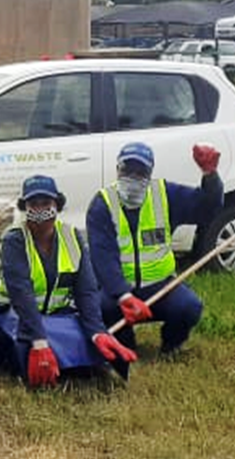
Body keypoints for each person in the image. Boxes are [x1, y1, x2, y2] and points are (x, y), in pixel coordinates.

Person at [0, 175, 136, 387]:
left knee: (88, 338)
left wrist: (97, 332)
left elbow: (86, 291)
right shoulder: (14, 241)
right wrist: (39, 343)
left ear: (57, 205)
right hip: (16, 314)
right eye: (33, 204)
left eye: (46, 203)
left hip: (58, 314)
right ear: (24, 207)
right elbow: (22, 295)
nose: (40, 210)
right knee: (28, 347)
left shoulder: (72, 236)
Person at [85, 141, 223, 360]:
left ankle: (171, 345)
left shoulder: (165, 195)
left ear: (150, 174)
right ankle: (124, 343)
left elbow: (207, 207)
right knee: (97, 309)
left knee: (188, 307)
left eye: (140, 171)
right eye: (128, 169)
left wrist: (210, 175)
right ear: (118, 170)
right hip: (117, 292)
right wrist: (123, 295)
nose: (133, 177)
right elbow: (103, 257)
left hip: (161, 287)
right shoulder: (102, 204)